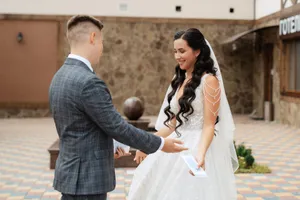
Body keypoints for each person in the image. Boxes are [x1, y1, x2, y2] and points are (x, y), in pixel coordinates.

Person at [48, 15, 188, 200]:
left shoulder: (59, 77)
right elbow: (117, 127)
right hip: (87, 181)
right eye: (102, 41)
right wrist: (161, 144)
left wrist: (109, 147)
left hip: (70, 174)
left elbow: (80, 127)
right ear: (93, 38)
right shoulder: (88, 82)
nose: (102, 48)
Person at [128, 28, 239, 200]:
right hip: (176, 143)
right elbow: (172, 124)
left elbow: (209, 124)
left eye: (182, 51)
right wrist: (148, 143)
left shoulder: (209, 81)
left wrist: (200, 155)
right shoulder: (178, 80)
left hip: (197, 146)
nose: (177, 56)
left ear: (197, 51)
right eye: (175, 51)